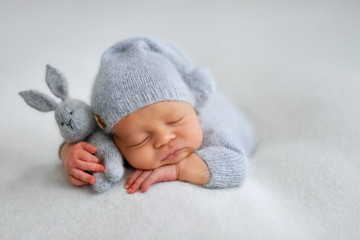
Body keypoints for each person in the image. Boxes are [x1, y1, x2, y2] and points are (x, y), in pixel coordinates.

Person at [59, 37, 254, 194]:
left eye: (175, 121)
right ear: (115, 141)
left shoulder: (212, 131)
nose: (164, 139)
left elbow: (237, 165)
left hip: (228, 113)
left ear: (193, 110)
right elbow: (89, 140)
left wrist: (179, 169)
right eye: (140, 140)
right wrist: (69, 153)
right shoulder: (111, 138)